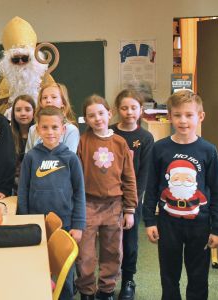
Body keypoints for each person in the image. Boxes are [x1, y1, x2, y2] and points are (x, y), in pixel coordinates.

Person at [143, 90, 218, 300]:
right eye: (177, 115)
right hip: (168, 223)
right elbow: (151, 187)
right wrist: (150, 221)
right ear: (169, 116)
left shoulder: (208, 150)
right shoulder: (160, 149)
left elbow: (216, 192)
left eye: (189, 115)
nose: (183, 120)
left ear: (201, 117)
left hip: (200, 224)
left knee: (198, 275)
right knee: (169, 274)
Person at [17, 106, 85, 300]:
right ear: (37, 129)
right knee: (36, 270)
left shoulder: (71, 158)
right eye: (45, 127)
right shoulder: (31, 157)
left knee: (64, 274)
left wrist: (79, 225)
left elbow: (79, 193)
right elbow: (23, 190)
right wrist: (25, 221)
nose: (50, 132)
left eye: (55, 127)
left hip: (65, 225)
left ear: (63, 129)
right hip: (36, 224)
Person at [76, 95, 137, 300]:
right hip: (88, 204)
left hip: (114, 206)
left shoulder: (120, 143)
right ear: (85, 119)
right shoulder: (82, 142)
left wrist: (130, 209)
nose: (97, 118)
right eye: (91, 115)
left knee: (112, 251)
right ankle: (87, 290)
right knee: (85, 253)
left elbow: (129, 178)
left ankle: (106, 289)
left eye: (101, 113)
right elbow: (76, 178)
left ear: (109, 114)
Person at [109, 89, 154, 300]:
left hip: (130, 199)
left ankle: (128, 279)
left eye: (133, 108)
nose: (129, 112)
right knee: (108, 241)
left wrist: (133, 202)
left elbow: (144, 173)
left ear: (141, 110)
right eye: (124, 108)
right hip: (107, 196)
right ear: (117, 110)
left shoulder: (145, 137)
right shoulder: (108, 132)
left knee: (130, 241)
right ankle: (107, 281)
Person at [25, 82, 79, 153]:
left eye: (54, 97)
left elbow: (68, 160)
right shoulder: (33, 130)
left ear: (63, 102)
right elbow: (28, 159)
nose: (48, 100)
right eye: (44, 98)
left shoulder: (71, 130)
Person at [10, 95, 35, 193]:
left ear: (34, 112)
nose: (23, 113)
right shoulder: (8, 134)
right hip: (12, 188)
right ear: (13, 113)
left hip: (34, 186)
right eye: (18, 110)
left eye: (27, 109)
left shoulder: (40, 135)